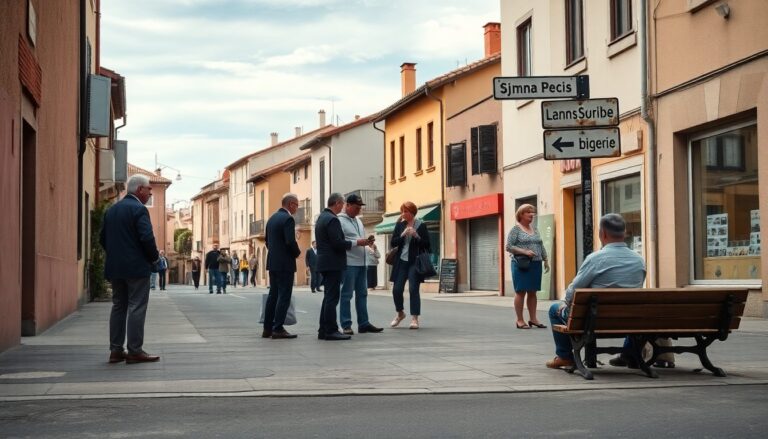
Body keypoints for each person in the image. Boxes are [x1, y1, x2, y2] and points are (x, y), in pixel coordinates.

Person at [545, 213, 646, 370]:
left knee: (553, 309)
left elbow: (574, 289)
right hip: (629, 319)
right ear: (624, 233)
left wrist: (566, 302)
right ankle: (630, 354)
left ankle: (565, 357)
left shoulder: (596, 258)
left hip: (593, 319)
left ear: (602, 233)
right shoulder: (639, 259)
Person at [100, 174, 161, 364]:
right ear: (139, 189)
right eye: (149, 189)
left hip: (115, 267)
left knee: (119, 306)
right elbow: (147, 238)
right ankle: (135, 351)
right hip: (136, 268)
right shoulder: (139, 210)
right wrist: (153, 258)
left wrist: (116, 255)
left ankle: (116, 350)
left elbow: (102, 238)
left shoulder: (112, 210)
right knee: (136, 306)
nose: (151, 193)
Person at [338, 194, 383, 335]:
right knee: (346, 295)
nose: (358, 210)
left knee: (362, 294)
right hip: (349, 262)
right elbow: (340, 242)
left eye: (360, 208)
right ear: (348, 205)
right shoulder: (339, 221)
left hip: (362, 262)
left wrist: (367, 241)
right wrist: (358, 242)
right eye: (356, 208)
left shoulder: (358, 221)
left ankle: (363, 323)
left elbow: (358, 239)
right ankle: (346, 325)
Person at [263, 193, 302, 339]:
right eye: (297, 205)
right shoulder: (288, 219)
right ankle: (278, 328)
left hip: (273, 262)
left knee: (273, 295)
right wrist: (297, 253)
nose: (297, 208)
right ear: (291, 204)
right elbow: (290, 241)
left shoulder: (272, 219)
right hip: (285, 263)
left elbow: (267, 241)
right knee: (284, 295)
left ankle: (267, 328)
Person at [506, 204, 550, 329]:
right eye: (528, 212)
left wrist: (545, 259)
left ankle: (533, 318)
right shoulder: (516, 229)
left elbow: (540, 245)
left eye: (533, 213)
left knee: (533, 292)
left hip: (536, 263)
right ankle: (519, 320)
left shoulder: (535, 229)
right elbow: (508, 246)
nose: (532, 215)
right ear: (521, 214)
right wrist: (525, 252)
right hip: (521, 264)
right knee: (520, 292)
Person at [315, 193, 352, 341]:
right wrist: (353, 243)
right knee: (332, 297)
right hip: (332, 263)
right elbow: (337, 243)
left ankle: (323, 329)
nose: (343, 207)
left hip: (325, 262)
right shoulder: (332, 219)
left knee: (328, 297)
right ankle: (330, 330)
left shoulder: (322, 218)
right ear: (336, 203)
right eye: (342, 204)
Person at [389, 201, 431, 330]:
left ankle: (414, 318)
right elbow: (393, 243)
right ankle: (400, 313)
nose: (403, 214)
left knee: (413, 289)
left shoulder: (421, 226)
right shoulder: (400, 225)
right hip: (401, 261)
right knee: (396, 290)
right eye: (402, 211)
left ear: (412, 212)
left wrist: (416, 235)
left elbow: (427, 245)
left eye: (405, 211)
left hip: (415, 261)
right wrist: (402, 235)